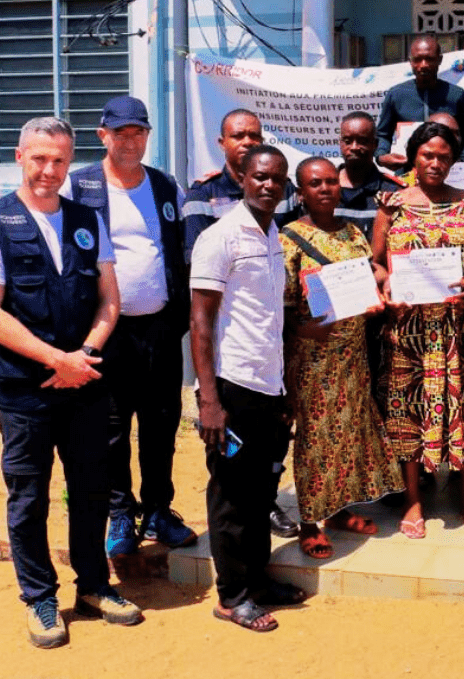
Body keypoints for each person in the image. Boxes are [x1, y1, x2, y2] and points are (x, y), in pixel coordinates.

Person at [0, 116, 140, 648]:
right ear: (20, 156)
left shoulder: (87, 218)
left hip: (85, 382)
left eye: (59, 160)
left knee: (90, 491)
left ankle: (93, 586)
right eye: (39, 158)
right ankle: (40, 597)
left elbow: (110, 298)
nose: (49, 170)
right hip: (25, 393)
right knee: (29, 497)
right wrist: (55, 360)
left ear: (70, 160)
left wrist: (83, 355)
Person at [62, 97, 196, 558]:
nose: (129, 141)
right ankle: (122, 512)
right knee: (112, 426)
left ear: (147, 135)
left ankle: (159, 509)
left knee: (161, 423)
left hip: (159, 329)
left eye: (138, 132)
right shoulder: (80, 187)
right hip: (105, 331)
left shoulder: (163, 186)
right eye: (120, 133)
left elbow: (178, 247)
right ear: (103, 135)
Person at [191, 144, 307, 632]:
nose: (269, 186)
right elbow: (200, 323)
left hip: (267, 383)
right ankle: (231, 595)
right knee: (231, 495)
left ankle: (257, 583)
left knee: (260, 492)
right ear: (241, 176)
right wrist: (209, 400)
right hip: (232, 385)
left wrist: (283, 390)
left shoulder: (273, 233)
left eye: (278, 180)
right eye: (261, 176)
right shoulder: (220, 237)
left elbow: (268, 316)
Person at [372, 122, 464, 539]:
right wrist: (386, 283)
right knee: (407, 409)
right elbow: (376, 261)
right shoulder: (391, 204)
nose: (435, 163)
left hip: (457, 327)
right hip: (409, 329)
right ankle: (413, 500)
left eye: (444, 156)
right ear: (413, 156)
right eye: (428, 155)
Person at [280, 157, 403, 560]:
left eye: (332, 182)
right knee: (315, 440)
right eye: (315, 183)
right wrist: (303, 330)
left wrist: (376, 298)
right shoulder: (288, 238)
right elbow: (279, 308)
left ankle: (338, 510)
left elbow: (366, 277)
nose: (325, 189)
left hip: (352, 354)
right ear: (301, 192)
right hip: (313, 357)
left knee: (348, 433)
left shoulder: (353, 233)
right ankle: (310, 523)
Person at [183, 109, 299, 262]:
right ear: (222, 143)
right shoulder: (201, 195)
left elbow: (297, 246)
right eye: (238, 136)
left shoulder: (284, 190)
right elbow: (197, 257)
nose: (247, 142)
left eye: (254, 136)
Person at [375, 35, 464, 167]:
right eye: (417, 59)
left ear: (439, 60)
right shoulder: (396, 95)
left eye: (429, 59)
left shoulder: (456, 95)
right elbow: (383, 134)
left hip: (448, 172)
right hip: (407, 171)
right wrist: (381, 156)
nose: (423, 65)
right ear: (410, 61)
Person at [337, 111, 403, 242]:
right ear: (340, 143)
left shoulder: (393, 191)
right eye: (348, 141)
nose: (354, 147)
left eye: (362, 141)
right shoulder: (324, 188)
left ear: (375, 144)